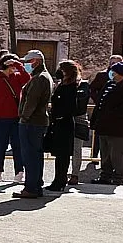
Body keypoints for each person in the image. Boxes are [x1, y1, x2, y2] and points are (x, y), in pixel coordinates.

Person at [0, 54, 30, 183]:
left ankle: (19, 172)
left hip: (16, 117)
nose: (15, 68)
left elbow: (28, 79)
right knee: (0, 146)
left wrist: (19, 65)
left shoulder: (18, 77)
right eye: (13, 65)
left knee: (17, 146)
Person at [13, 50, 53, 199]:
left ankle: (31, 187)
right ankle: (35, 185)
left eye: (28, 62)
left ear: (35, 61)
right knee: (35, 155)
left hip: (32, 122)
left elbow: (31, 101)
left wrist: (24, 117)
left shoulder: (39, 79)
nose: (25, 65)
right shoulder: (42, 77)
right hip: (37, 121)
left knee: (30, 156)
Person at [90, 62, 123, 185]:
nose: (111, 73)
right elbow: (100, 102)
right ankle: (105, 175)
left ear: (120, 73)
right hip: (103, 126)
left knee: (117, 154)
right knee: (105, 153)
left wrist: (111, 115)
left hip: (117, 128)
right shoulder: (108, 84)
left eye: (114, 71)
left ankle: (118, 177)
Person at [46, 61, 84, 192]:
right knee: (59, 154)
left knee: (63, 155)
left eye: (61, 69)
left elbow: (71, 106)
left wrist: (60, 115)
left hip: (64, 123)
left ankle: (60, 181)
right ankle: (58, 179)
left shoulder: (72, 86)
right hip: (58, 122)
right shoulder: (63, 84)